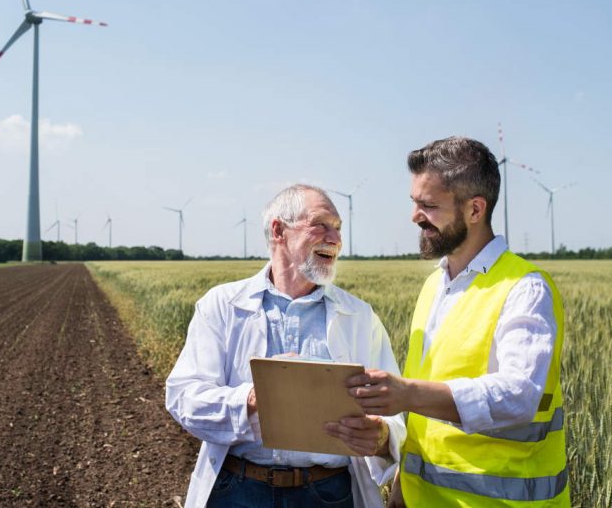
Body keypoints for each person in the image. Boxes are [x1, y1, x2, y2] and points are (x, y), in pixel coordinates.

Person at [346, 137, 569, 507]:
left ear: (475, 210)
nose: (415, 216)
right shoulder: (435, 284)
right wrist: (403, 485)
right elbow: (427, 412)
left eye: (428, 205)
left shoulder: (526, 289)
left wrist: (406, 393)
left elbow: (519, 397)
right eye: (415, 203)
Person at [166, 184, 406, 508]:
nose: (335, 239)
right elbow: (183, 397)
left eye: (338, 228)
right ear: (279, 230)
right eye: (321, 224)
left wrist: (381, 437)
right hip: (236, 490)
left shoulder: (360, 317)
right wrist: (254, 398)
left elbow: (394, 409)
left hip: (328, 494)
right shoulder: (221, 306)